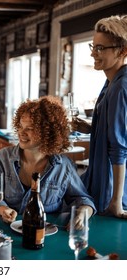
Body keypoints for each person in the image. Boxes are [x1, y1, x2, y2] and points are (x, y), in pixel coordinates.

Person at [0, 96, 96, 225]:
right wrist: (3, 209)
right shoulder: (3, 157)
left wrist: (82, 214)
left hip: (45, 234)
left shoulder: (63, 166)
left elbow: (84, 200)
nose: (21, 132)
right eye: (20, 126)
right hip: (7, 231)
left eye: (29, 129)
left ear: (48, 133)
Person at [73, 15, 127, 218]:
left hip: (110, 186)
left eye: (101, 48)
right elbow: (112, 129)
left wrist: (115, 202)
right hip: (101, 177)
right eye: (93, 47)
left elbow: (119, 147)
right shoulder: (110, 81)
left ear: (122, 51)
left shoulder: (121, 86)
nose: (94, 54)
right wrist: (90, 127)